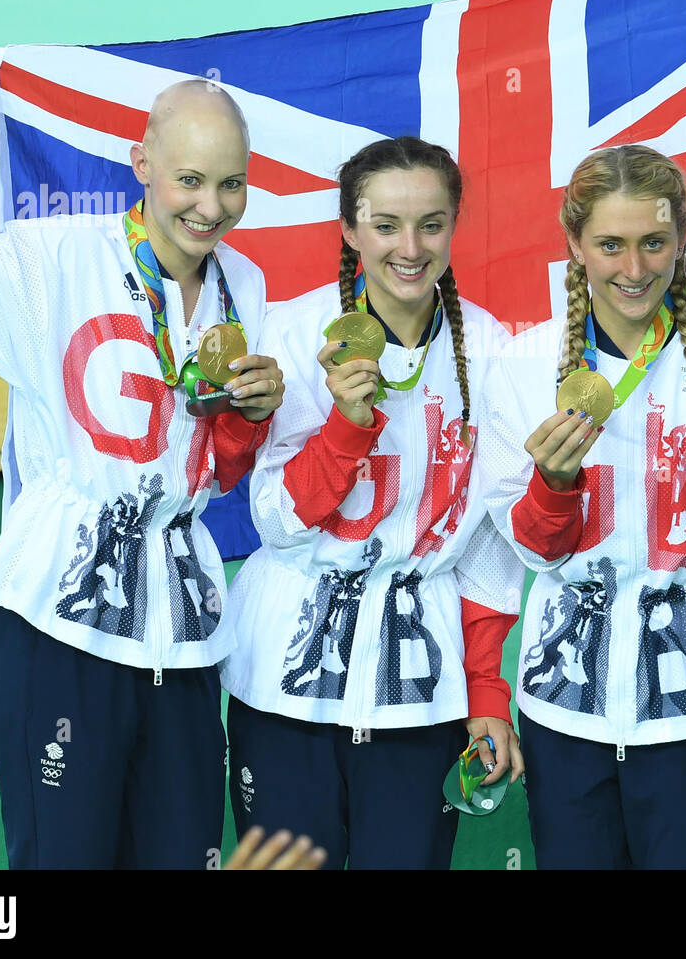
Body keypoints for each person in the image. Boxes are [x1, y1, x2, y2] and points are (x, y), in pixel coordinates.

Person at [0, 50, 286, 868]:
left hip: (180, 636)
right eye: (190, 180)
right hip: (58, 627)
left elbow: (213, 471)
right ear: (143, 165)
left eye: (231, 184)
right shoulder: (54, 255)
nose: (211, 207)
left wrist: (249, 413)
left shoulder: (246, 282)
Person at [478, 144, 686, 868]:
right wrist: (554, 487)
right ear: (574, 244)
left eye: (654, 242)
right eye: (611, 245)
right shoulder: (522, 370)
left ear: (682, 238)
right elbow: (532, 549)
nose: (634, 269)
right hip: (564, 717)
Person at [219, 136, 525, 869]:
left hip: (419, 688)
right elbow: (277, 521)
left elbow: (487, 545)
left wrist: (486, 688)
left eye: (431, 224)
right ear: (350, 230)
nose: (410, 247)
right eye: (385, 225)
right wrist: (345, 430)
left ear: (455, 225)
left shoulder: (491, 350)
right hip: (287, 686)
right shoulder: (293, 335)